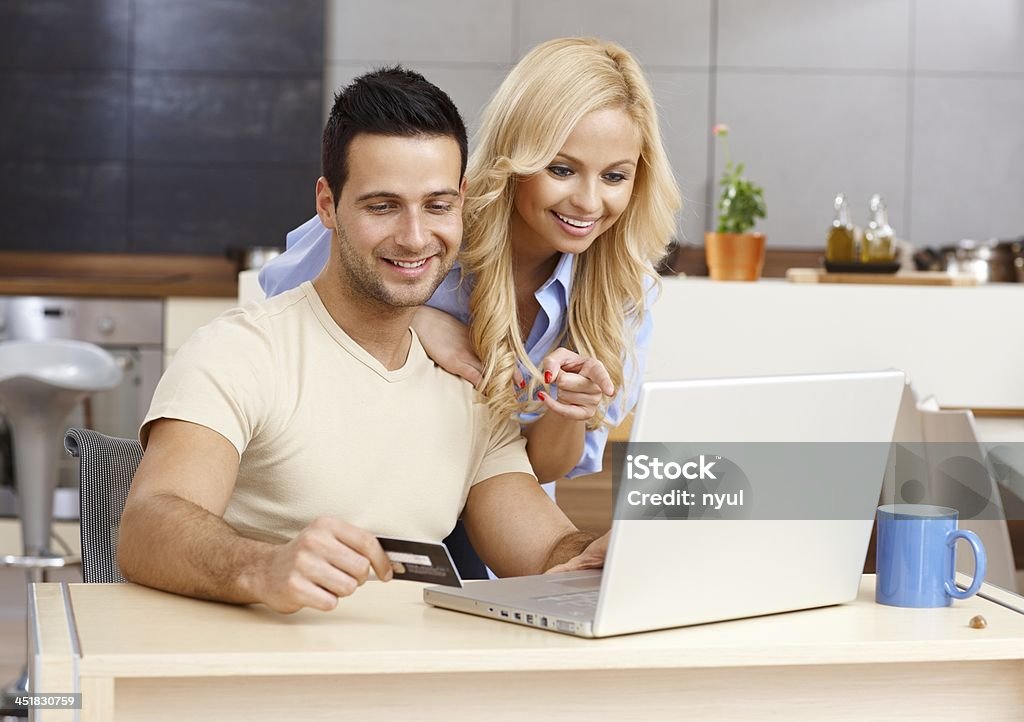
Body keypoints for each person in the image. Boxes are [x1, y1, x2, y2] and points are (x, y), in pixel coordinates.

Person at [117, 67, 606, 614]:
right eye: (383, 206)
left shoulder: (466, 383)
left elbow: (546, 551)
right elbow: (147, 524)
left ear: (462, 201)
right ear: (327, 204)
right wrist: (263, 567)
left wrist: (602, 554)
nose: (416, 236)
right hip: (254, 680)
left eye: (438, 205)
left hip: (400, 683)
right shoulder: (241, 353)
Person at [260, 38, 681, 573]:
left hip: (501, 514)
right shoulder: (429, 220)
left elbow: (540, 467)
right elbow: (287, 301)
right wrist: (419, 321)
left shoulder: (623, 290)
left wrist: (566, 409)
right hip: (361, 497)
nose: (589, 202)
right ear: (518, 156)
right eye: (561, 169)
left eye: (615, 176)